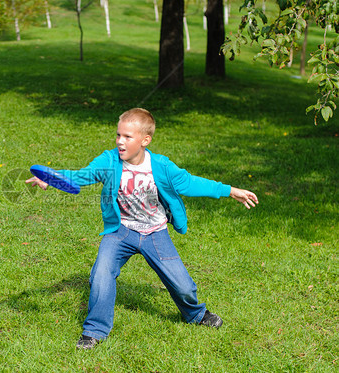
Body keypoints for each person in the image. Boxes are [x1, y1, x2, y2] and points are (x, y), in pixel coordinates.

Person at [26, 108, 258, 350]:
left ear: (145, 140)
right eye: (118, 135)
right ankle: (94, 330)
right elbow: (82, 176)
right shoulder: (109, 161)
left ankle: (196, 314)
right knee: (101, 275)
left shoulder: (161, 166)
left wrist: (231, 191)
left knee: (183, 286)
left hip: (155, 233)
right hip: (121, 231)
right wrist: (51, 178)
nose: (119, 141)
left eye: (127, 137)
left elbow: (190, 183)